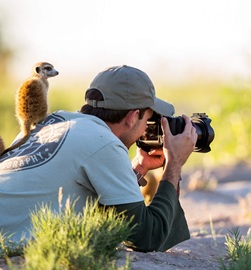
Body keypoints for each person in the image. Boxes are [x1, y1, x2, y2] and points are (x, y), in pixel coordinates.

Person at [0, 65, 197, 252]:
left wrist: (138, 168)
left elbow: (95, 202)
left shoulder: (54, 121)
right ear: (132, 116)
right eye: (148, 119)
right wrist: (174, 164)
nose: (147, 128)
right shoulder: (105, 142)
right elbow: (147, 237)